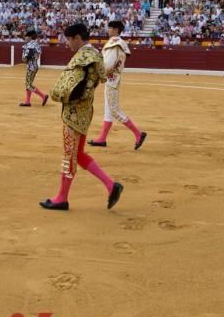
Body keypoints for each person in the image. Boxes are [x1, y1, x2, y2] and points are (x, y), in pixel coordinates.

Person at [40, 22, 123, 211]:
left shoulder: (84, 57)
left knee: (69, 154)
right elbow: (99, 79)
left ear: (77, 38)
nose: (67, 44)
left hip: (74, 111)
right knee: (78, 154)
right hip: (85, 111)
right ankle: (111, 186)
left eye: (69, 40)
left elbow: (72, 87)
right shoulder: (95, 54)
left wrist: (60, 95)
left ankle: (62, 198)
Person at [88, 20, 147, 150]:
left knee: (114, 110)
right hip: (112, 79)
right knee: (108, 110)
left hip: (111, 79)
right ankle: (102, 138)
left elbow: (108, 64)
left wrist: (98, 74)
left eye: (109, 28)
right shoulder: (118, 43)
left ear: (115, 30)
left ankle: (138, 134)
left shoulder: (114, 44)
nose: (108, 30)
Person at [19, 30, 48, 107]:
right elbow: (37, 55)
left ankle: (43, 96)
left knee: (28, 85)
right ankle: (27, 102)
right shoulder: (37, 44)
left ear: (30, 37)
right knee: (28, 84)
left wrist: (25, 59)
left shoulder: (30, 45)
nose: (25, 38)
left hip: (31, 66)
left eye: (26, 36)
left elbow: (29, 55)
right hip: (35, 66)